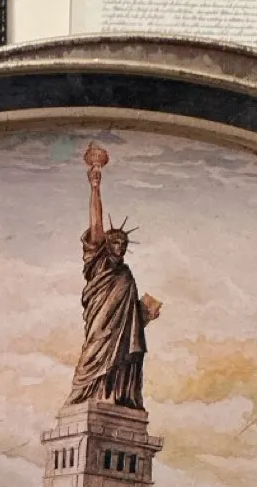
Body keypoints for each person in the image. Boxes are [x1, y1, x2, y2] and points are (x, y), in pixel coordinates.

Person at [66, 145, 161, 410]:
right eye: (115, 242)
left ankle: (116, 396)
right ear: (106, 245)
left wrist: (145, 314)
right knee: (92, 355)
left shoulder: (126, 274)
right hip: (100, 327)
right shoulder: (99, 262)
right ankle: (87, 394)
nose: (120, 247)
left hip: (121, 337)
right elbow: (96, 224)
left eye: (124, 243)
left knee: (124, 358)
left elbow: (129, 317)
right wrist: (95, 187)